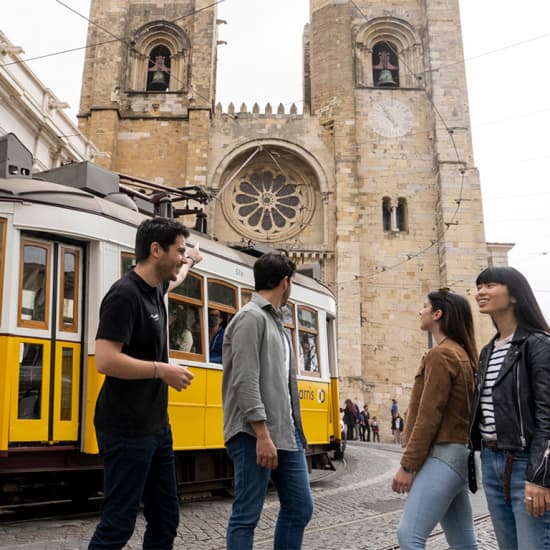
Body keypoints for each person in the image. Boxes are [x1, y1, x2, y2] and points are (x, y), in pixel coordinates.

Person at [88, 217, 202, 550]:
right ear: (156, 251)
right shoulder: (124, 295)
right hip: (125, 428)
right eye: (178, 251)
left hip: (156, 427)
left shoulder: (157, 288)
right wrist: (161, 370)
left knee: (165, 520)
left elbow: (177, 278)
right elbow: (105, 360)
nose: (181, 258)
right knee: (118, 526)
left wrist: (192, 258)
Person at [222, 252, 313, 550]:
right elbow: (245, 379)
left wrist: (297, 430)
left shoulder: (276, 322)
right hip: (253, 434)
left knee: (300, 507)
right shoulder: (250, 317)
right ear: (285, 282)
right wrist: (261, 433)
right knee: (246, 515)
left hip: (285, 434)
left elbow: (284, 386)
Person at [469, 267, 550, 549]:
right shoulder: (488, 351)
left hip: (525, 464)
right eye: (479, 286)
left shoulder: (538, 344)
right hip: (491, 463)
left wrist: (539, 476)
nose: (481, 292)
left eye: (490, 285)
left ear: (514, 295)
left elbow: (547, 416)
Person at [393, 289, 479, 550]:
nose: (420, 311)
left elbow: (428, 416)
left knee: (409, 535)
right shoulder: (464, 354)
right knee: (463, 542)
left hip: (442, 456)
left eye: (424, 306)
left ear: (438, 314)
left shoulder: (440, 355)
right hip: (460, 457)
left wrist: (407, 466)